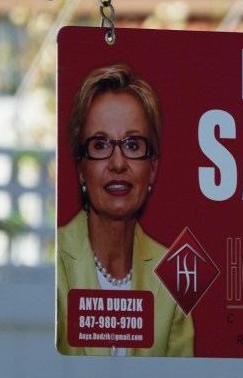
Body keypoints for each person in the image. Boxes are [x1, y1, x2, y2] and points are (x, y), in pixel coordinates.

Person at [56, 62, 194, 356]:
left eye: (133, 145)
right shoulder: (53, 264)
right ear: (81, 168)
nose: (118, 163)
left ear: (152, 168)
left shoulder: (174, 275)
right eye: (100, 144)